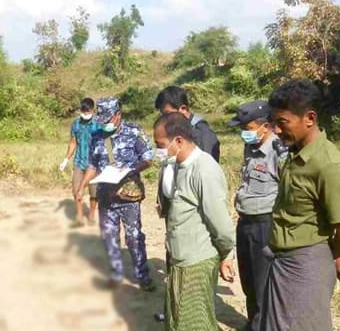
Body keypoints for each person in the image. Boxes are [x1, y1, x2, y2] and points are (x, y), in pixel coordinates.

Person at [255, 79, 340, 331]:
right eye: (273, 122)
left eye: (282, 122)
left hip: (306, 264)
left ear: (309, 119)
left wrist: (333, 254)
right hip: (286, 263)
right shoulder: (296, 152)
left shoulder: (326, 164)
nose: (275, 129)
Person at [153, 112, 236, 331]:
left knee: (194, 327)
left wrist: (228, 254)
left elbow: (221, 222)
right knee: (181, 324)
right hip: (180, 256)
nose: (158, 150)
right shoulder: (179, 165)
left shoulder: (205, 169)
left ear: (178, 140)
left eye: (160, 144)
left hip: (197, 259)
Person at [76, 97, 155, 291]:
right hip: (106, 196)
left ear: (118, 115)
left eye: (109, 120)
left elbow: (148, 158)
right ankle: (117, 272)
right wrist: (82, 186)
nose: (106, 124)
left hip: (128, 195)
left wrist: (130, 170)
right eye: (102, 121)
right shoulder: (97, 137)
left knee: (133, 236)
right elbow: (93, 165)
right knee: (109, 235)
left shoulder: (134, 132)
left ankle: (142, 275)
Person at [227, 100, 288, 331]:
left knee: (264, 282)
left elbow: (287, 190)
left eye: (248, 126)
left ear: (265, 126)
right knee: (248, 279)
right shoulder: (250, 148)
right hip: (245, 222)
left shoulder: (279, 151)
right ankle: (253, 324)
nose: (244, 132)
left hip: (265, 223)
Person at [59, 97, 101, 227]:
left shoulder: (98, 125)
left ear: (93, 110)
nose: (85, 114)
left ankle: (92, 214)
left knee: (94, 192)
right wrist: (66, 159)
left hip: (94, 163)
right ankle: (79, 216)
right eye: (83, 111)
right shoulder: (76, 124)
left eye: (88, 111)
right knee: (76, 190)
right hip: (79, 162)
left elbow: (106, 143)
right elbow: (73, 143)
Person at [154, 85, 221, 162]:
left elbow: (208, 166)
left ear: (183, 108)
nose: (165, 118)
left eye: (168, 113)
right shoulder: (178, 129)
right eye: (163, 115)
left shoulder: (202, 133)